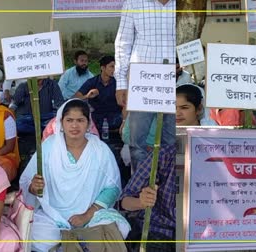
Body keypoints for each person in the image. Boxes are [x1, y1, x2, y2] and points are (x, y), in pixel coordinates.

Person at [20, 99, 130, 252]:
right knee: (38, 234)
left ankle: (75, 241)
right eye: (69, 120)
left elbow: (112, 188)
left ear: (88, 123)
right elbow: (28, 183)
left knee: (118, 227)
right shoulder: (48, 146)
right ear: (61, 122)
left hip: (91, 216)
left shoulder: (100, 149)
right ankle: (77, 242)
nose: (74, 125)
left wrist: (86, 215)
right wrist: (34, 186)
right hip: (53, 216)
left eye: (80, 120)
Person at [115, 0, 176, 170]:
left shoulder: (187, 3)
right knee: (137, 143)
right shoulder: (134, 3)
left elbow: (193, 39)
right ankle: (140, 190)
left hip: (175, 82)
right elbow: (123, 43)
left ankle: (165, 190)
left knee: (170, 142)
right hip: (142, 82)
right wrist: (121, 82)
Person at [121, 144, 176, 252]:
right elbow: (124, 202)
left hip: (202, 237)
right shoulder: (163, 155)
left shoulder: (216, 161)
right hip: (159, 232)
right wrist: (141, 202)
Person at [75, 55, 123, 131]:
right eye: (112, 67)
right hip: (97, 117)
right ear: (103, 68)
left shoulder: (119, 82)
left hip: (115, 117)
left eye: (115, 67)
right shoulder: (92, 82)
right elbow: (76, 97)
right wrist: (87, 96)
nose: (114, 70)